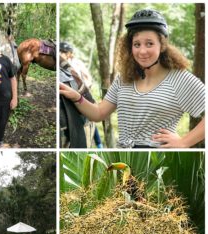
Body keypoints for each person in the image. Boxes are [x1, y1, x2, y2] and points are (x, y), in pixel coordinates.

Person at [59, 9, 205, 148]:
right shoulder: (125, 78)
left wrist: (184, 142)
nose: (142, 51)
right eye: (137, 44)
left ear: (162, 45)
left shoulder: (179, 79)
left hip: (157, 156)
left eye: (149, 43)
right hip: (124, 156)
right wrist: (76, 97)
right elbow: (98, 113)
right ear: (130, 47)